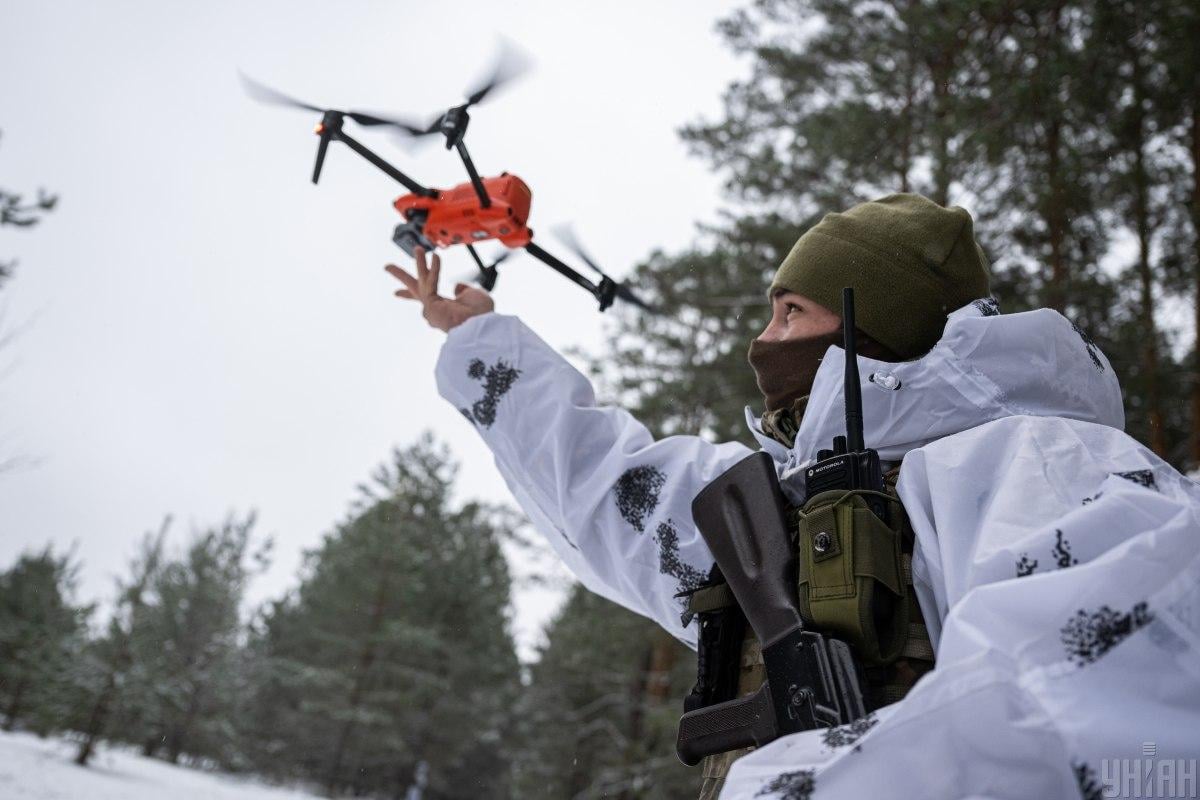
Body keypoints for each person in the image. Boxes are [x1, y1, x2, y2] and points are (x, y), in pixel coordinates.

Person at [387, 194, 1200, 799]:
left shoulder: (1043, 460)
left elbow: (1098, 691)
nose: (762, 343)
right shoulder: (776, 507)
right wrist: (478, 342)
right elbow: (604, 487)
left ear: (869, 332)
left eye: (790, 313)